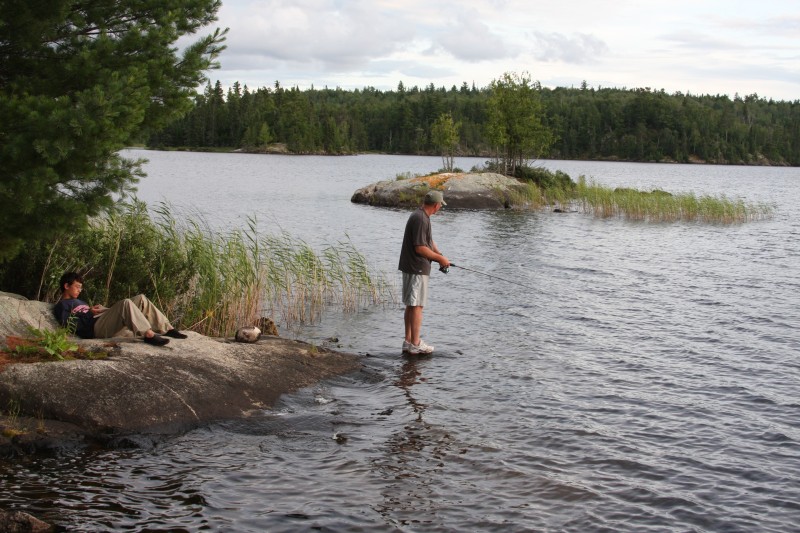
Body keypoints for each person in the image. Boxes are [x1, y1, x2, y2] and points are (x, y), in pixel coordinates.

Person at [52, 272, 187, 346]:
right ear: (66, 286)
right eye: (77, 287)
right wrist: (89, 312)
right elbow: (70, 324)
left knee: (141, 298)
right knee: (126, 303)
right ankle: (149, 335)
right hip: (94, 329)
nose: (80, 290)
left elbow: (92, 314)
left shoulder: (80, 301)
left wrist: (105, 310)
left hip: (100, 321)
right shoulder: (62, 306)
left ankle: (167, 328)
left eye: (81, 287)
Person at [398, 189, 450, 355]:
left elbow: (428, 240)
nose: (440, 208)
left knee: (411, 305)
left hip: (411, 266)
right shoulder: (421, 219)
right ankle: (415, 343)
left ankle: (408, 341)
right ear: (436, 205)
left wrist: (439, 254)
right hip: (417, 267)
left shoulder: (420, 215)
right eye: (440, 205)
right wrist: (440, 260)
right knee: (417, 306)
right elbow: (420, 248)